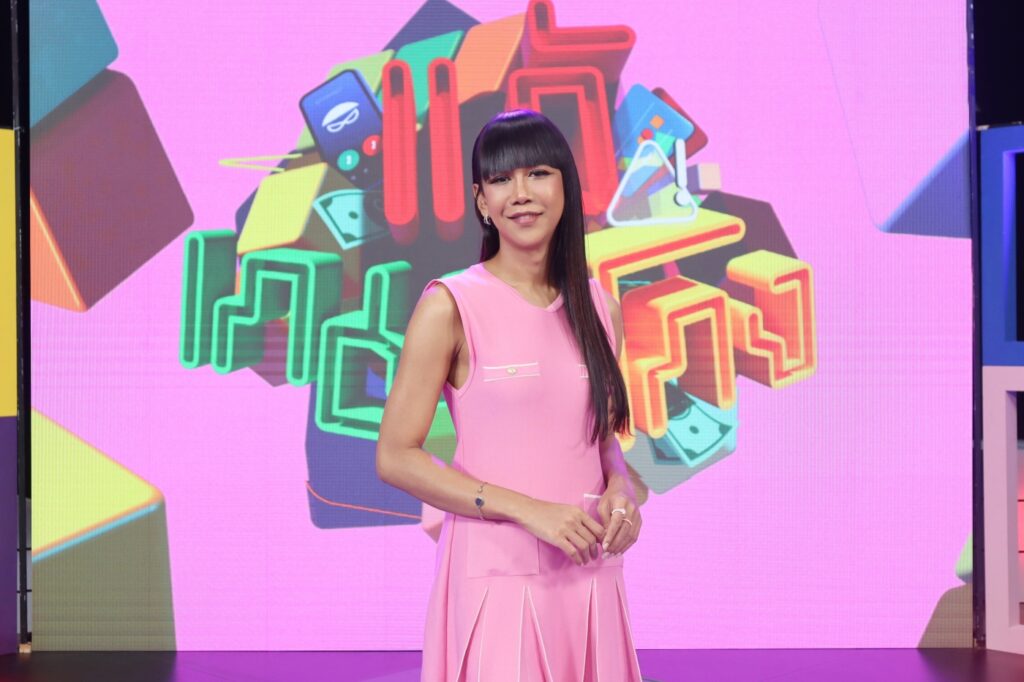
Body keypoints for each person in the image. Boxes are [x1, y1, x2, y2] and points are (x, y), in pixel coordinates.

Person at [376, 109, 644, 681]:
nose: (521, 193)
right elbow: (395, 457)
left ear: (566, 187)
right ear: (482, 201)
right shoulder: (450, 304)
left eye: (538, 174)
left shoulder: (600, 307)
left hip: (589, 574)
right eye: (501, 179)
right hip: (496, 578)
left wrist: (621, 490)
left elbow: (601, 442)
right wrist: (528, 510)